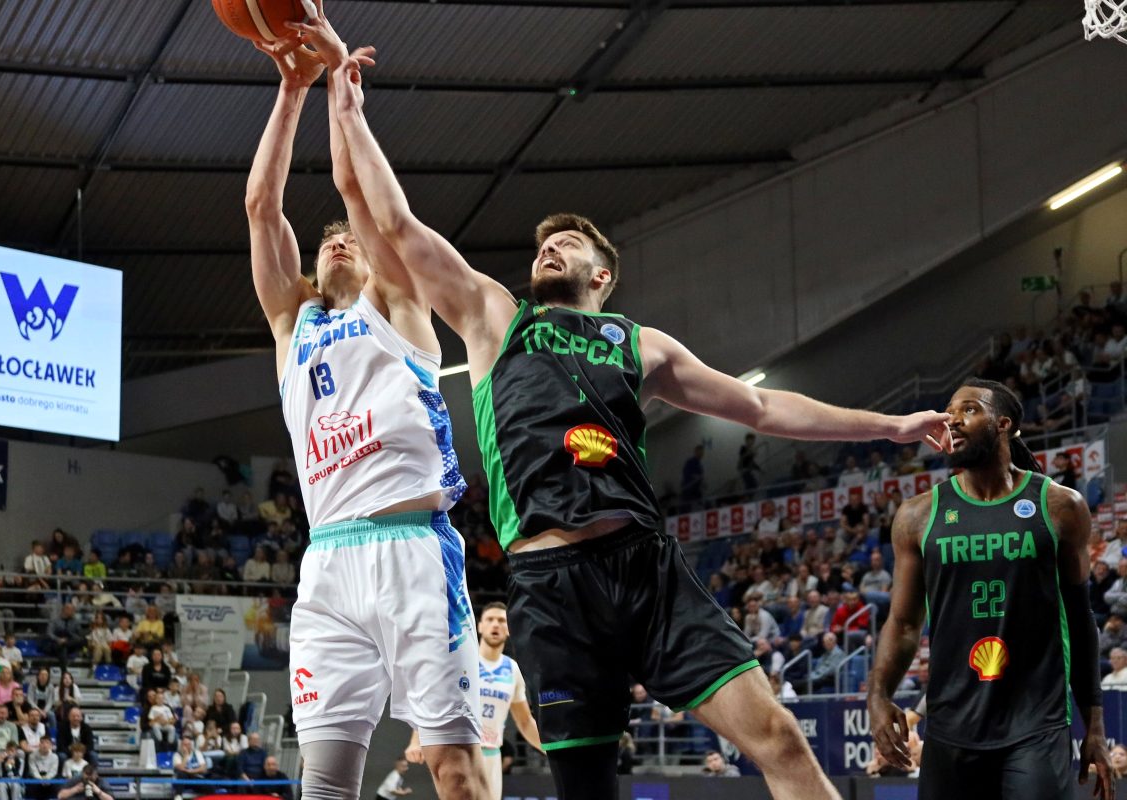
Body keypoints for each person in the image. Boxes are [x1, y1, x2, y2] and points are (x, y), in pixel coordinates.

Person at [307, 10, 952, 797]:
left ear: (602, 275)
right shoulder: (494, 318)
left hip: (646, 571)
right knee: (589, 788)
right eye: (544, 243)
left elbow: (762, 410)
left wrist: (892, 425)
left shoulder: (639, 344)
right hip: (550, 584)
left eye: (568, 243)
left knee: (780, 737)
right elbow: (393, 222)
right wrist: (346, 105)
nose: (549, 247)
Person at [245, 15, 483, 800]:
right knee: (325, 780)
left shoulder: (395, 301)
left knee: (454, 768)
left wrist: (340, 88)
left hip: (413, 550)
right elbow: (260, 206)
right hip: (328, 563)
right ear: (311, 271)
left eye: (346, 238)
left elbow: (365, 201)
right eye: (327, 243)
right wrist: (291, 89)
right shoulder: (294, 326)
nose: (338, 242)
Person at [868, 379, 1112, 800]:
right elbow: (904, 623)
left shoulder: (1060, 506)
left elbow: (1079, 617)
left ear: (1004, 424)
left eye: (968, 409)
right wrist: (878, 695)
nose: (952, 420)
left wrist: (1094, 725)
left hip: (1037, 722)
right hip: (951, 725)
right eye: (949, 411)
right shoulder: (917, 516)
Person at [405, 602, 542, 799]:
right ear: (480, 626)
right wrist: (415, 741)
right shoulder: (464, 660)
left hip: (493, 754)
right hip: (461, 751)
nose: (495, 624)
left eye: (501, 621)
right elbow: (434, 703)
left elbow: (525, 721)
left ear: (509, 629)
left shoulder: (512, 669)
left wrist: (549, 748)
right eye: (490, 620)